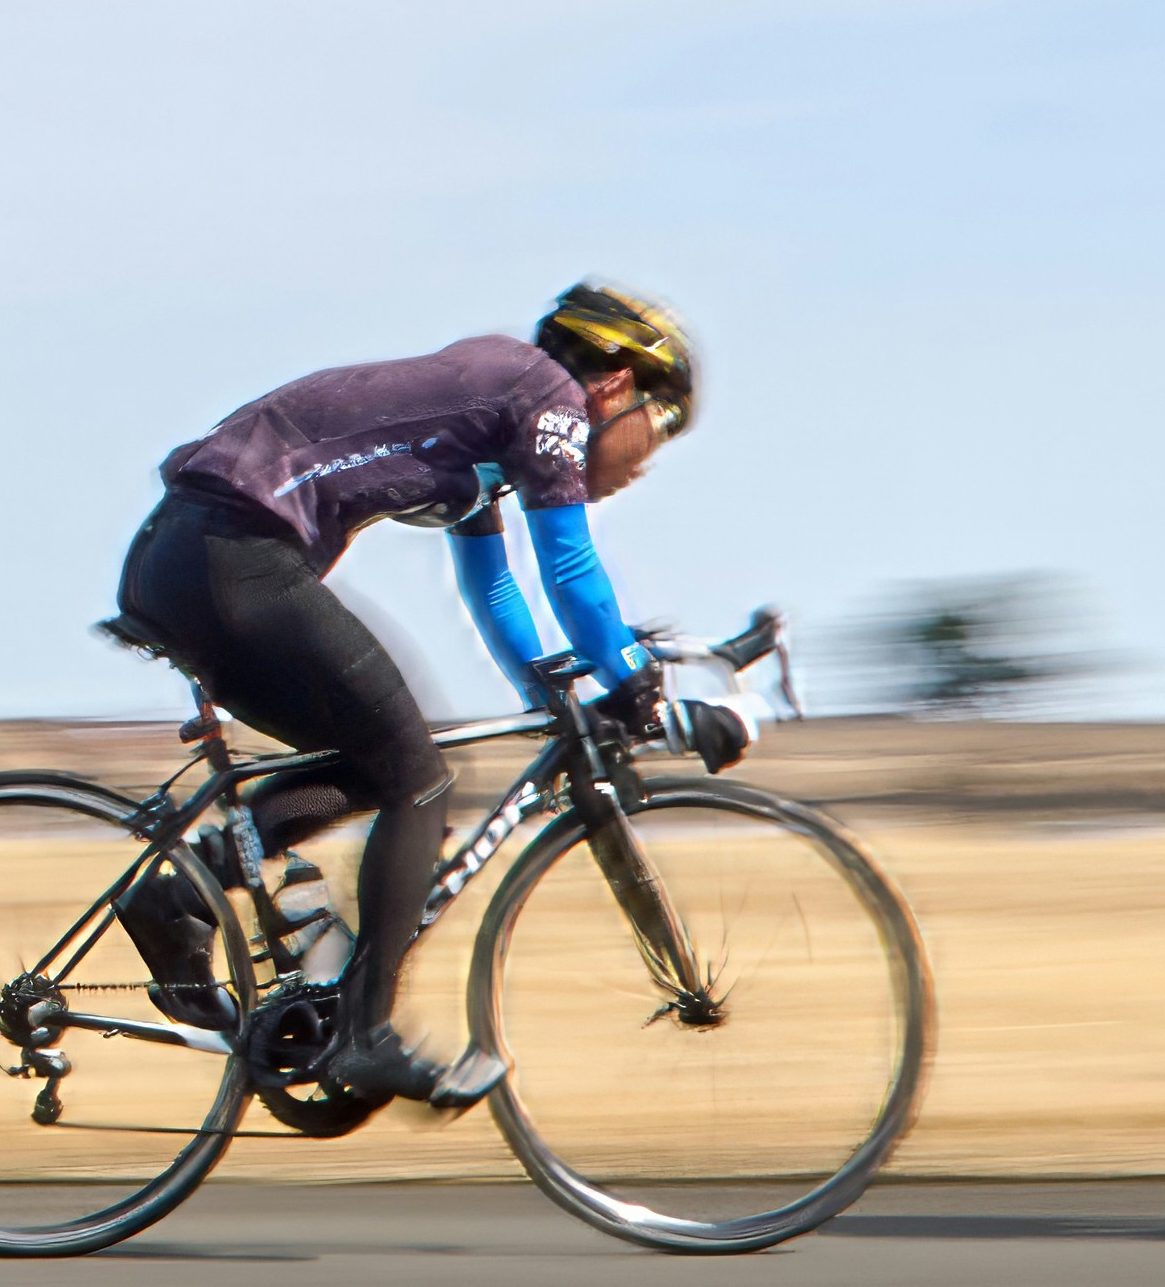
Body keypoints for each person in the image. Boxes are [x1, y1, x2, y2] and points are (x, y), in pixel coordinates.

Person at [103, 282, 717, 1113]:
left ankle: (182, 895)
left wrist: (557, 691)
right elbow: (569, 570)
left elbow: (494, 589)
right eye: (665, 423)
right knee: (422, 779)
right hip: (231, 554)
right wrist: (634, 677)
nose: (648, 462)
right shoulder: (547, 395)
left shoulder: (490, 432)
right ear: (613, 384)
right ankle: (364, 1034)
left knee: (386, 766)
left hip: (190, 557)